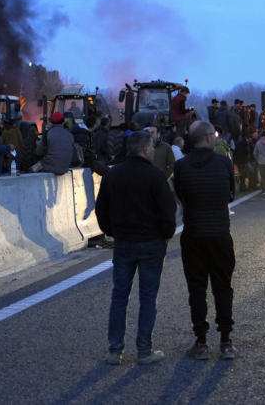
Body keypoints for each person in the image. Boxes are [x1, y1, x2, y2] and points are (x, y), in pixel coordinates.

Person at [96, 131, 177, 366]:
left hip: (123, 243)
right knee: (148, 298)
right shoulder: (155, 176)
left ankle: (114, 350)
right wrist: (165, 236)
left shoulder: (112, 175)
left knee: (119, 296)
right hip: (151, 243)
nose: (153, 150)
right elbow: (167, 212)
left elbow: (101, 208)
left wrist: (112, 231)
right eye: (151, 146)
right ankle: (144, 351)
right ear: (144, 149)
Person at [174, 121, 236, 361]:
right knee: (223, 286)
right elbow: (231, 192)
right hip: (220, 233)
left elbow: (180, 195)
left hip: (193, 234)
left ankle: (201, 342)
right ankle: (226, 341)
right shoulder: (223, 162)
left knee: (197, 288)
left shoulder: (181, 165)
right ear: (209, 138)